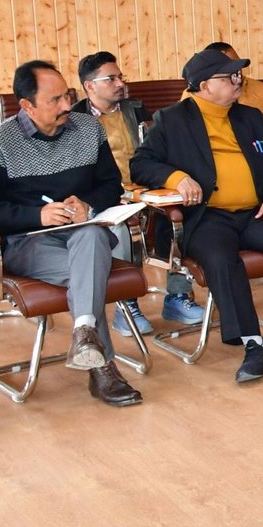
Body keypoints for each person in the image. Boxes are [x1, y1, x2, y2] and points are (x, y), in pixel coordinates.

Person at [130, 49, 263, 383]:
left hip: (256, 212)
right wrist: (177, 177)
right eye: (229, 77)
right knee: (221, 258)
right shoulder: (172, 119)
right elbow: (141, 164)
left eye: (238, 75)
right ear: (204, 85)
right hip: (207, 217)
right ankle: (254, 344)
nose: (238, 81)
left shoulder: (248, 117)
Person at [0, 61, 142, 406]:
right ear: (27, 105)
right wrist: (36, 215)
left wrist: (88, 205)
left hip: (84, 233)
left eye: (68, 96)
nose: (66, 105)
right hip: (29, 243)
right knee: (88, 272)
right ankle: (101, 365)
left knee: (91, 237)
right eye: (55, 100)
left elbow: (111, 185)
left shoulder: (89, 129)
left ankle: (88, 339)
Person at [72, 51, 206, 336]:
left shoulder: (136, 110)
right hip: (106, 194)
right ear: (89, 86)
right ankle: (127, 305)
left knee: (181, 216)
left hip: (147, 189)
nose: (120, 83)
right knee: (122, 228)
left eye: (121, 77)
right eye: (111, 79)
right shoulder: (74, 121)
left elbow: (158, 153)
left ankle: (178, 296)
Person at [198, 42, 263, 115]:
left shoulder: (260, 89)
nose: (238, 70)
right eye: (230, 67)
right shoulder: (197, 98)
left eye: (238, 64)